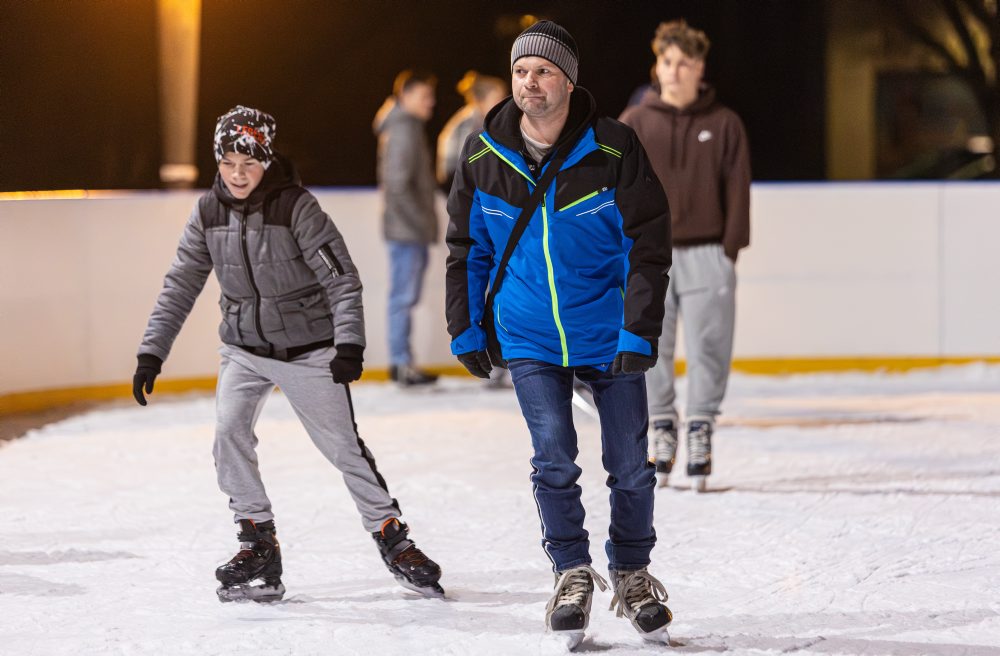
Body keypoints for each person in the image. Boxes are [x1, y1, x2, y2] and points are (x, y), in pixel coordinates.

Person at [133, 105, 443, 602]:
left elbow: (342, 280)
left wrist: (349, 344)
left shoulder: (296, 207)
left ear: (266, 161)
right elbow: (181, 284)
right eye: (228, 163)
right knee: (228, 434)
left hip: (308, 350)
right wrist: (152, 352)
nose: (238, 174)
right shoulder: (208, 212)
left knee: (343, 448)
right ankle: (258, 542)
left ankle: (393, 538)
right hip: (244, 349)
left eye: (249, 164)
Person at [445, 21, 673, 645]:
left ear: (569, 81)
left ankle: (631, 572)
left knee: (630, 465)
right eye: (521, 71)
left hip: (606, 332)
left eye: (544, 71)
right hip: (529, 335)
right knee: (553, 456)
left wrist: (638, 330)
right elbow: (466, 249)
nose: (530, 82)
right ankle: (570, 572)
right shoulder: (482, 154)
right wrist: (465, 328)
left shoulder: (613, 148)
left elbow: (648, 245)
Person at [619, 19, 751, 492]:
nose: (673, 71)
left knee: (710, 348)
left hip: (708, 253)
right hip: (647, 256)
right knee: (650, 348)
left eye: (683, 63)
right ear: (657, 66)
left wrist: (729, 250)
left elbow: (737, 189)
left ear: (699, 68)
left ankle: (700, 427)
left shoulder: (724, 123)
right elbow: (615, 190)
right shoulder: (634, 122)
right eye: (666, 61)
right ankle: (661, 426)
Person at [373, 70, 441, 386]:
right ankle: (401, 364)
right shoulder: (402, 131)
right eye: (425, 96)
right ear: (406, 95)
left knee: (404, 296)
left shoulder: (408, 127)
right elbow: (397, 185)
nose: (431, 102)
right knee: (402, 297)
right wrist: (421, 223)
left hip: (407, 229)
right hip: (406, 231)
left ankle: (403, 362)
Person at [436, 70, 507, 192]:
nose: (503, 105)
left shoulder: (479, 120)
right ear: (481, 101)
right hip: (453, 188)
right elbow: (466, 164)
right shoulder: (469, 122)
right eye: (497, 99)